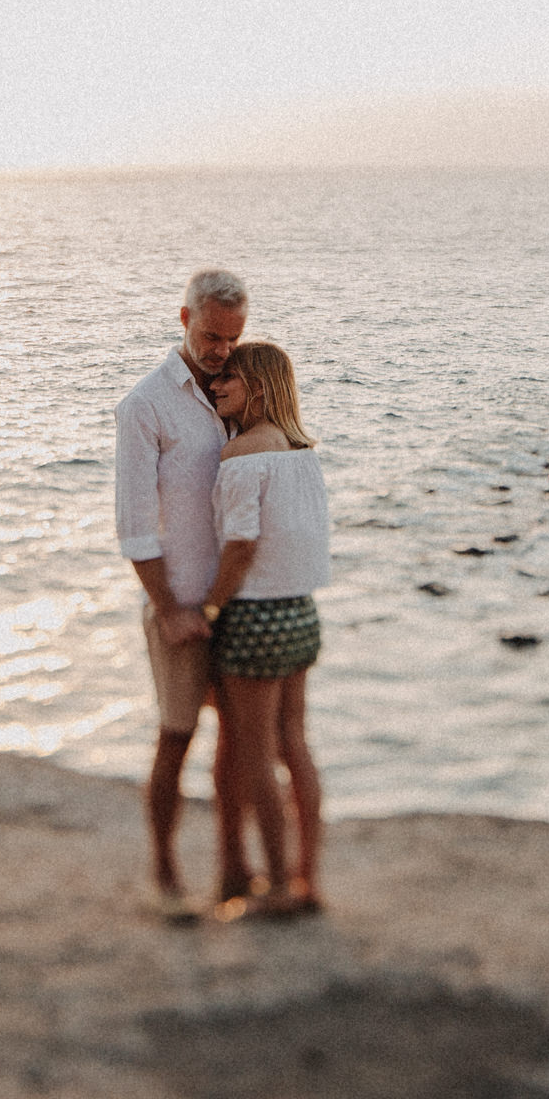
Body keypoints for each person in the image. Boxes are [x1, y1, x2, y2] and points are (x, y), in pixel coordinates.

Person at [113, 266, 248, 921]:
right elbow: (134, 525)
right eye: (210, 333)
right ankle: (164, 872)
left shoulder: (240, 391)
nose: (220, 347)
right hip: (179, 603)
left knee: (240, 743)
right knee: (176, 734)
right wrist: (168, 607)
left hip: (237, 601)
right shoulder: (146, 405)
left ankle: (233, 870)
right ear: (183, 318)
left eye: (232, 335)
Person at [202, 341, 330, 920]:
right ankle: (308, 878)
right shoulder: (302, 453)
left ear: (258, 386)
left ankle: (276, 887)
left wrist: (209, 608)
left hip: (254, 615)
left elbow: (242, 544)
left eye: (229, 378)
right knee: (294, 745)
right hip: (301, 612)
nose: (215, 386)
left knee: (254, 756)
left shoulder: (241, 458)